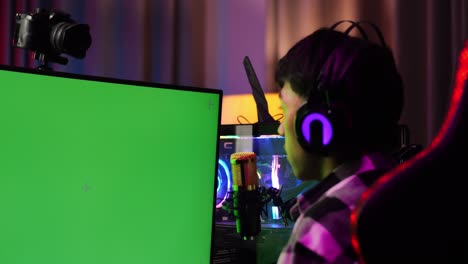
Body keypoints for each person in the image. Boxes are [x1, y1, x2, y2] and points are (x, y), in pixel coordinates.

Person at [275, 20, 404, 263]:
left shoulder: (321, 232)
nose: (281, 130)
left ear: (316, 124)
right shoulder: (412, 195)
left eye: (283, 110)